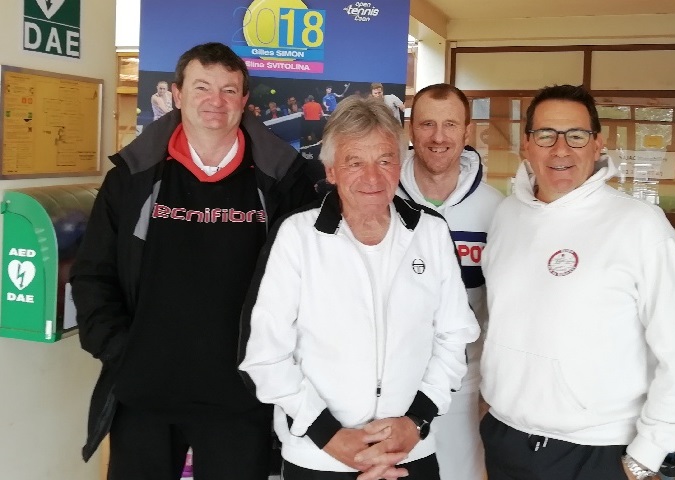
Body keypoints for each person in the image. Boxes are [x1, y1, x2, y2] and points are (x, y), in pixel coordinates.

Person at [70, 42, 317, 480]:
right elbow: (93, 274)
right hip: (145, 393)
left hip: (242, 395)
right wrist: (121, 352)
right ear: (178, 94)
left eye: (228, 89)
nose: (215, 101)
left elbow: (306, 284)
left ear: (244, 99)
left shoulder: (282, 181)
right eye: (202, 87)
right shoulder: (132, 177)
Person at [239, 95, 480, 480]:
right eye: (355, 162)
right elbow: (265, 357)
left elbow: (454, 338)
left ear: (399, 165)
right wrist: (329, 437)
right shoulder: (297, 236)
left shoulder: (431, 233)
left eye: (384, 160)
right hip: (320, 459)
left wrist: (415, 423)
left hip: (410, 453)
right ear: (331, 170)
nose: (372, 177)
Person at [479, 84, 675, 480]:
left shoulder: (639, 225)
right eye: (546, 135)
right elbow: (497, 320)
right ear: (527, 145)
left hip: (597, 450)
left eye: (576, 135)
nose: (561, 149)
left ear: (597, 144)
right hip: (506, 439)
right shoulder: (506, 216)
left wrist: (643, 458)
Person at [396, 83, 503, 480]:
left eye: (450, 125)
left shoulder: (496, 210)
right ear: (410, 129)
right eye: (427, 124)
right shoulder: (382, 198)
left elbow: (504, 307)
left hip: (465, 389)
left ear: (467, 131)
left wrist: (494, 388)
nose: (438, 137)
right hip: (392, 388)